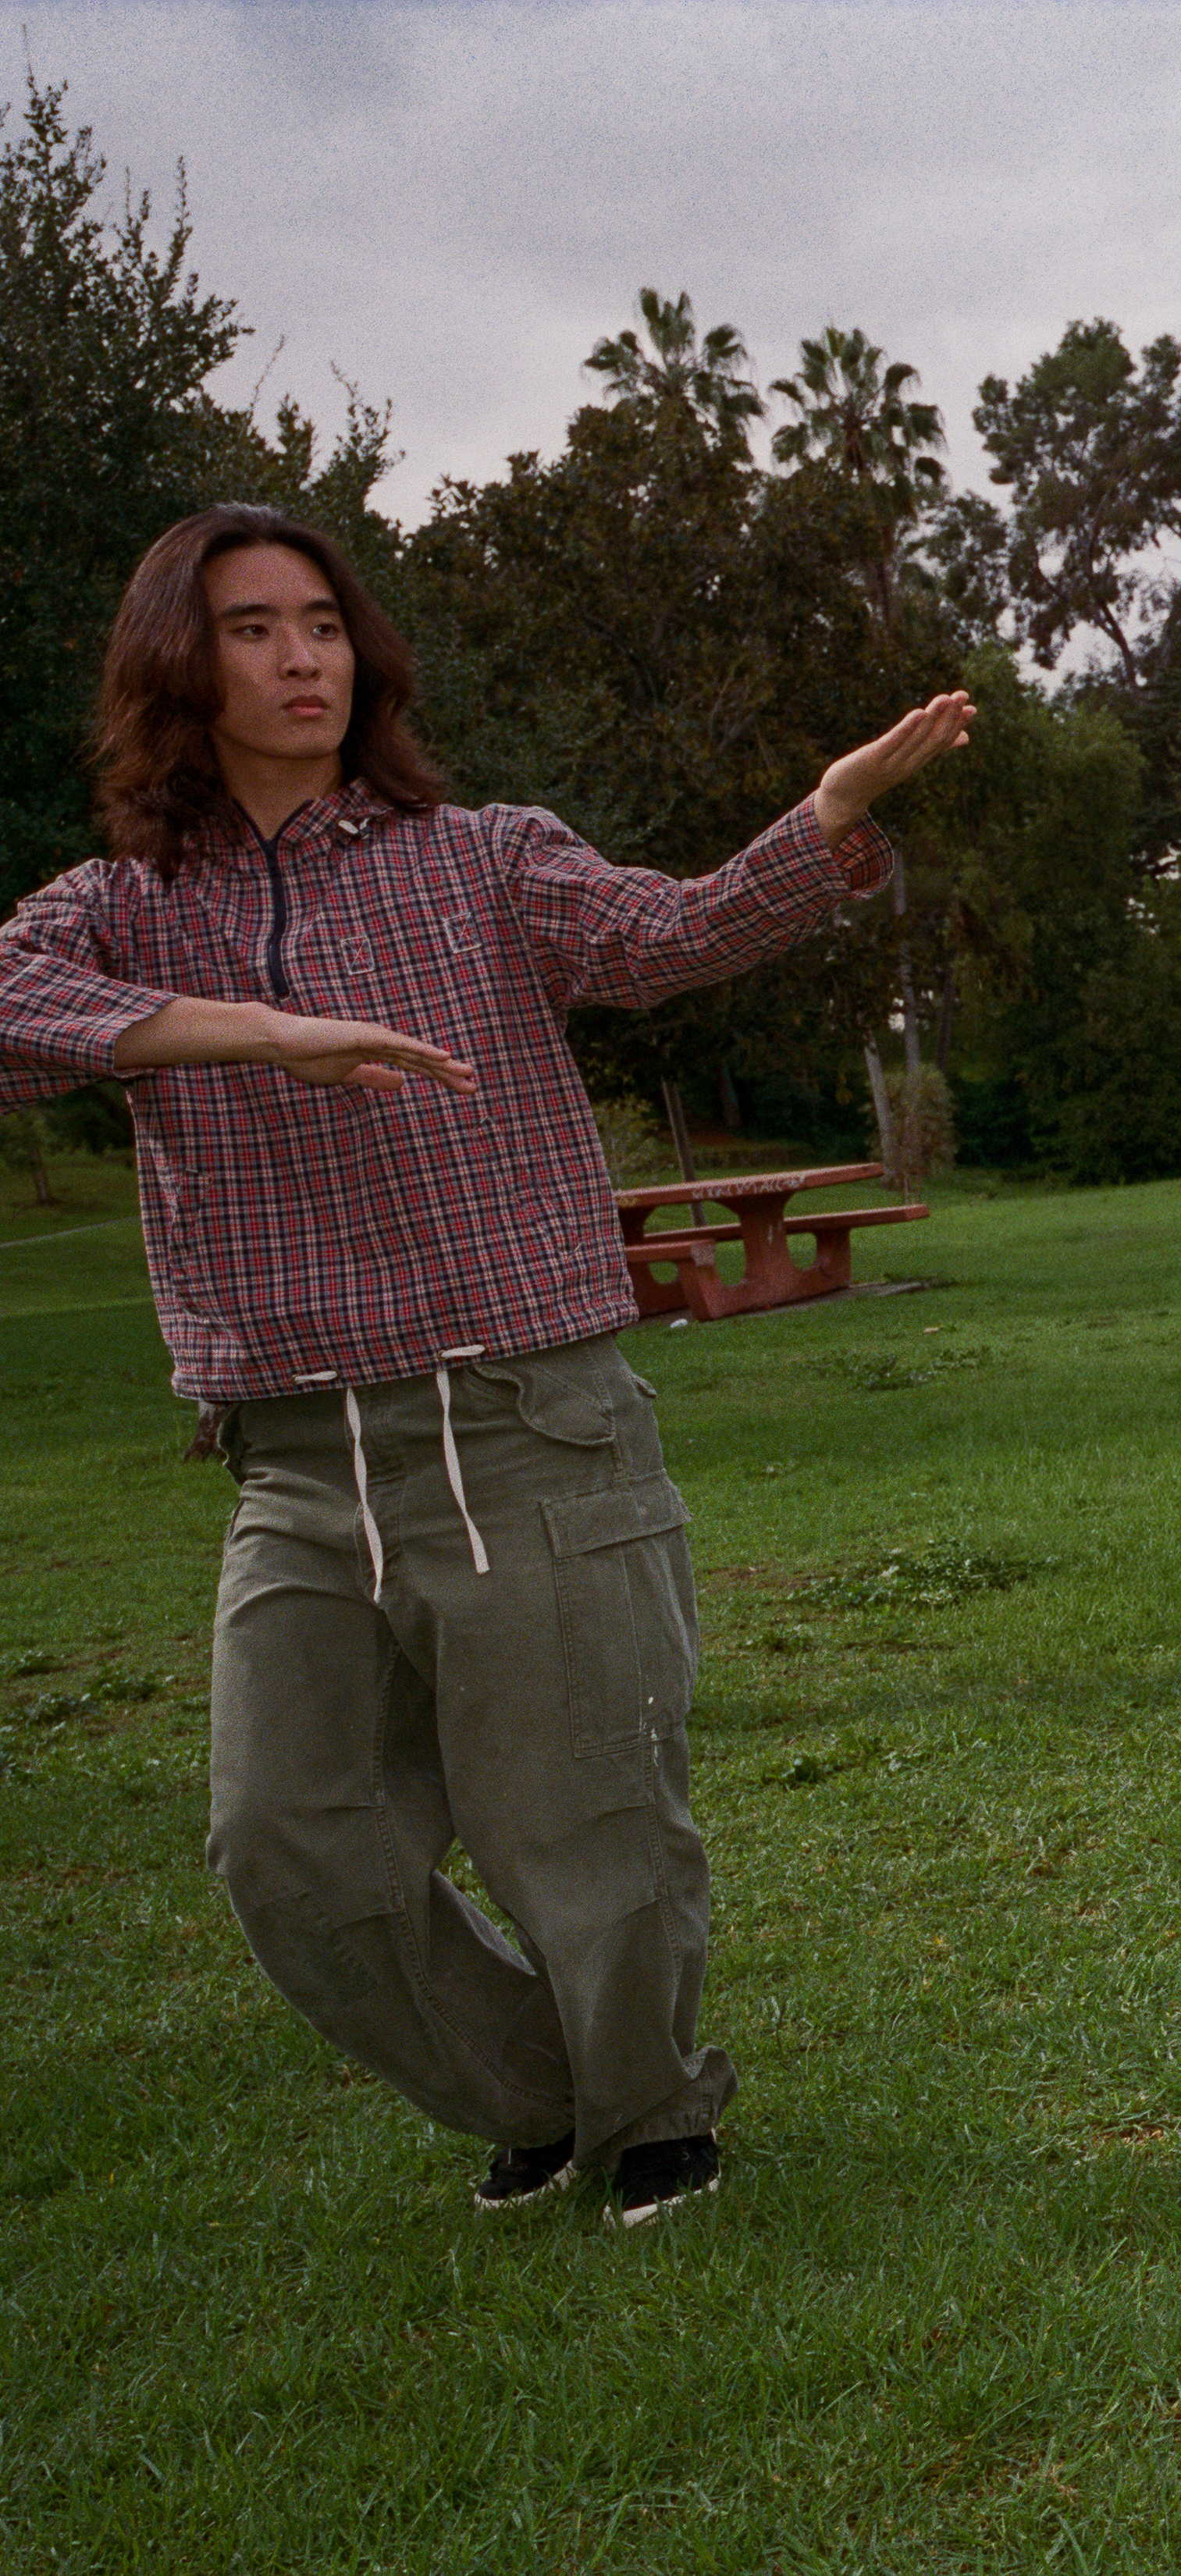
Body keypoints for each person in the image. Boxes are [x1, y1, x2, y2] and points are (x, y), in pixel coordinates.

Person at [0, 503, 970, 2222]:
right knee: (288, 1845)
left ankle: (653, 2113)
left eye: (322, 623)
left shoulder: (483, 854)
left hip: (525, 1419)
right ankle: (543, 2087)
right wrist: (253, 1032)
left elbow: (661, 938)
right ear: (178, 661)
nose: (305, 657)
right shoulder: (116, 908)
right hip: (291, 1459)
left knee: (585, 1826)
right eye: (253, 628)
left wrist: (825, 824)